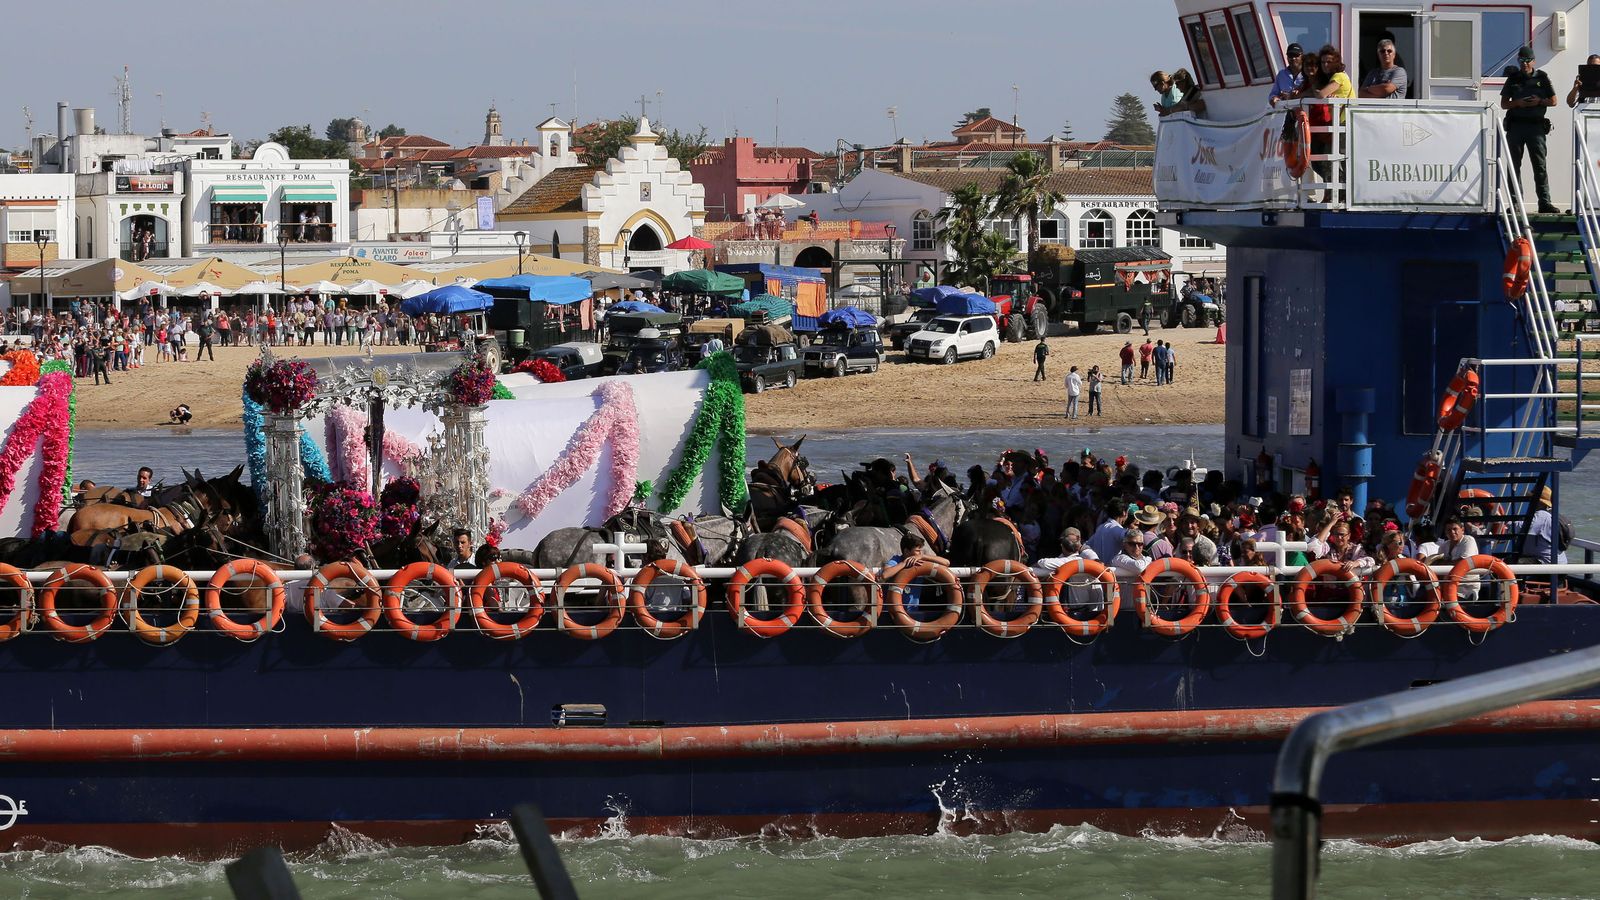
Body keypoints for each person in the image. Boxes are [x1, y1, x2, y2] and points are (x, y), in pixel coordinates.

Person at [1502, 45, 1559, 214]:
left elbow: (1554, 101)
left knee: (1540, 165)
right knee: (1514, 166)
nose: (1525, 64)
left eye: (1528, 60)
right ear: (1518, 61)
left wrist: (1539, 101)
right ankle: (1515, 203)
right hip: (1516, 126)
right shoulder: (1513, 78)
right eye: (1522, 60)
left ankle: (1544, 202)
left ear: (1533, 61)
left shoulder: (1542, 77)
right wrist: (1518, 103)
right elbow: (1504, 103)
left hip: (1536, 127)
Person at [881, 533, 951, 610]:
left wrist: (923, 556)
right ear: (906, 551)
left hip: (913, 612)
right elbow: (885, 575)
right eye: (917, 551)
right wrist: (904, 564)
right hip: (892, 611)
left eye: (921, 551)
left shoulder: (921, 561)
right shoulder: (897, 560)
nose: (920, 553)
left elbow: (947, 563)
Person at [1522, 486, 1569, 564]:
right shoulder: (1551, 515)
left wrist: (1499, 522)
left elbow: (1520, 527)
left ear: (1538, 502)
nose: (1530, 502)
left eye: (1531, 499)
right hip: (1560, 563)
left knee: (1509, 563)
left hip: (1547, 564)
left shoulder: (1542, 516)